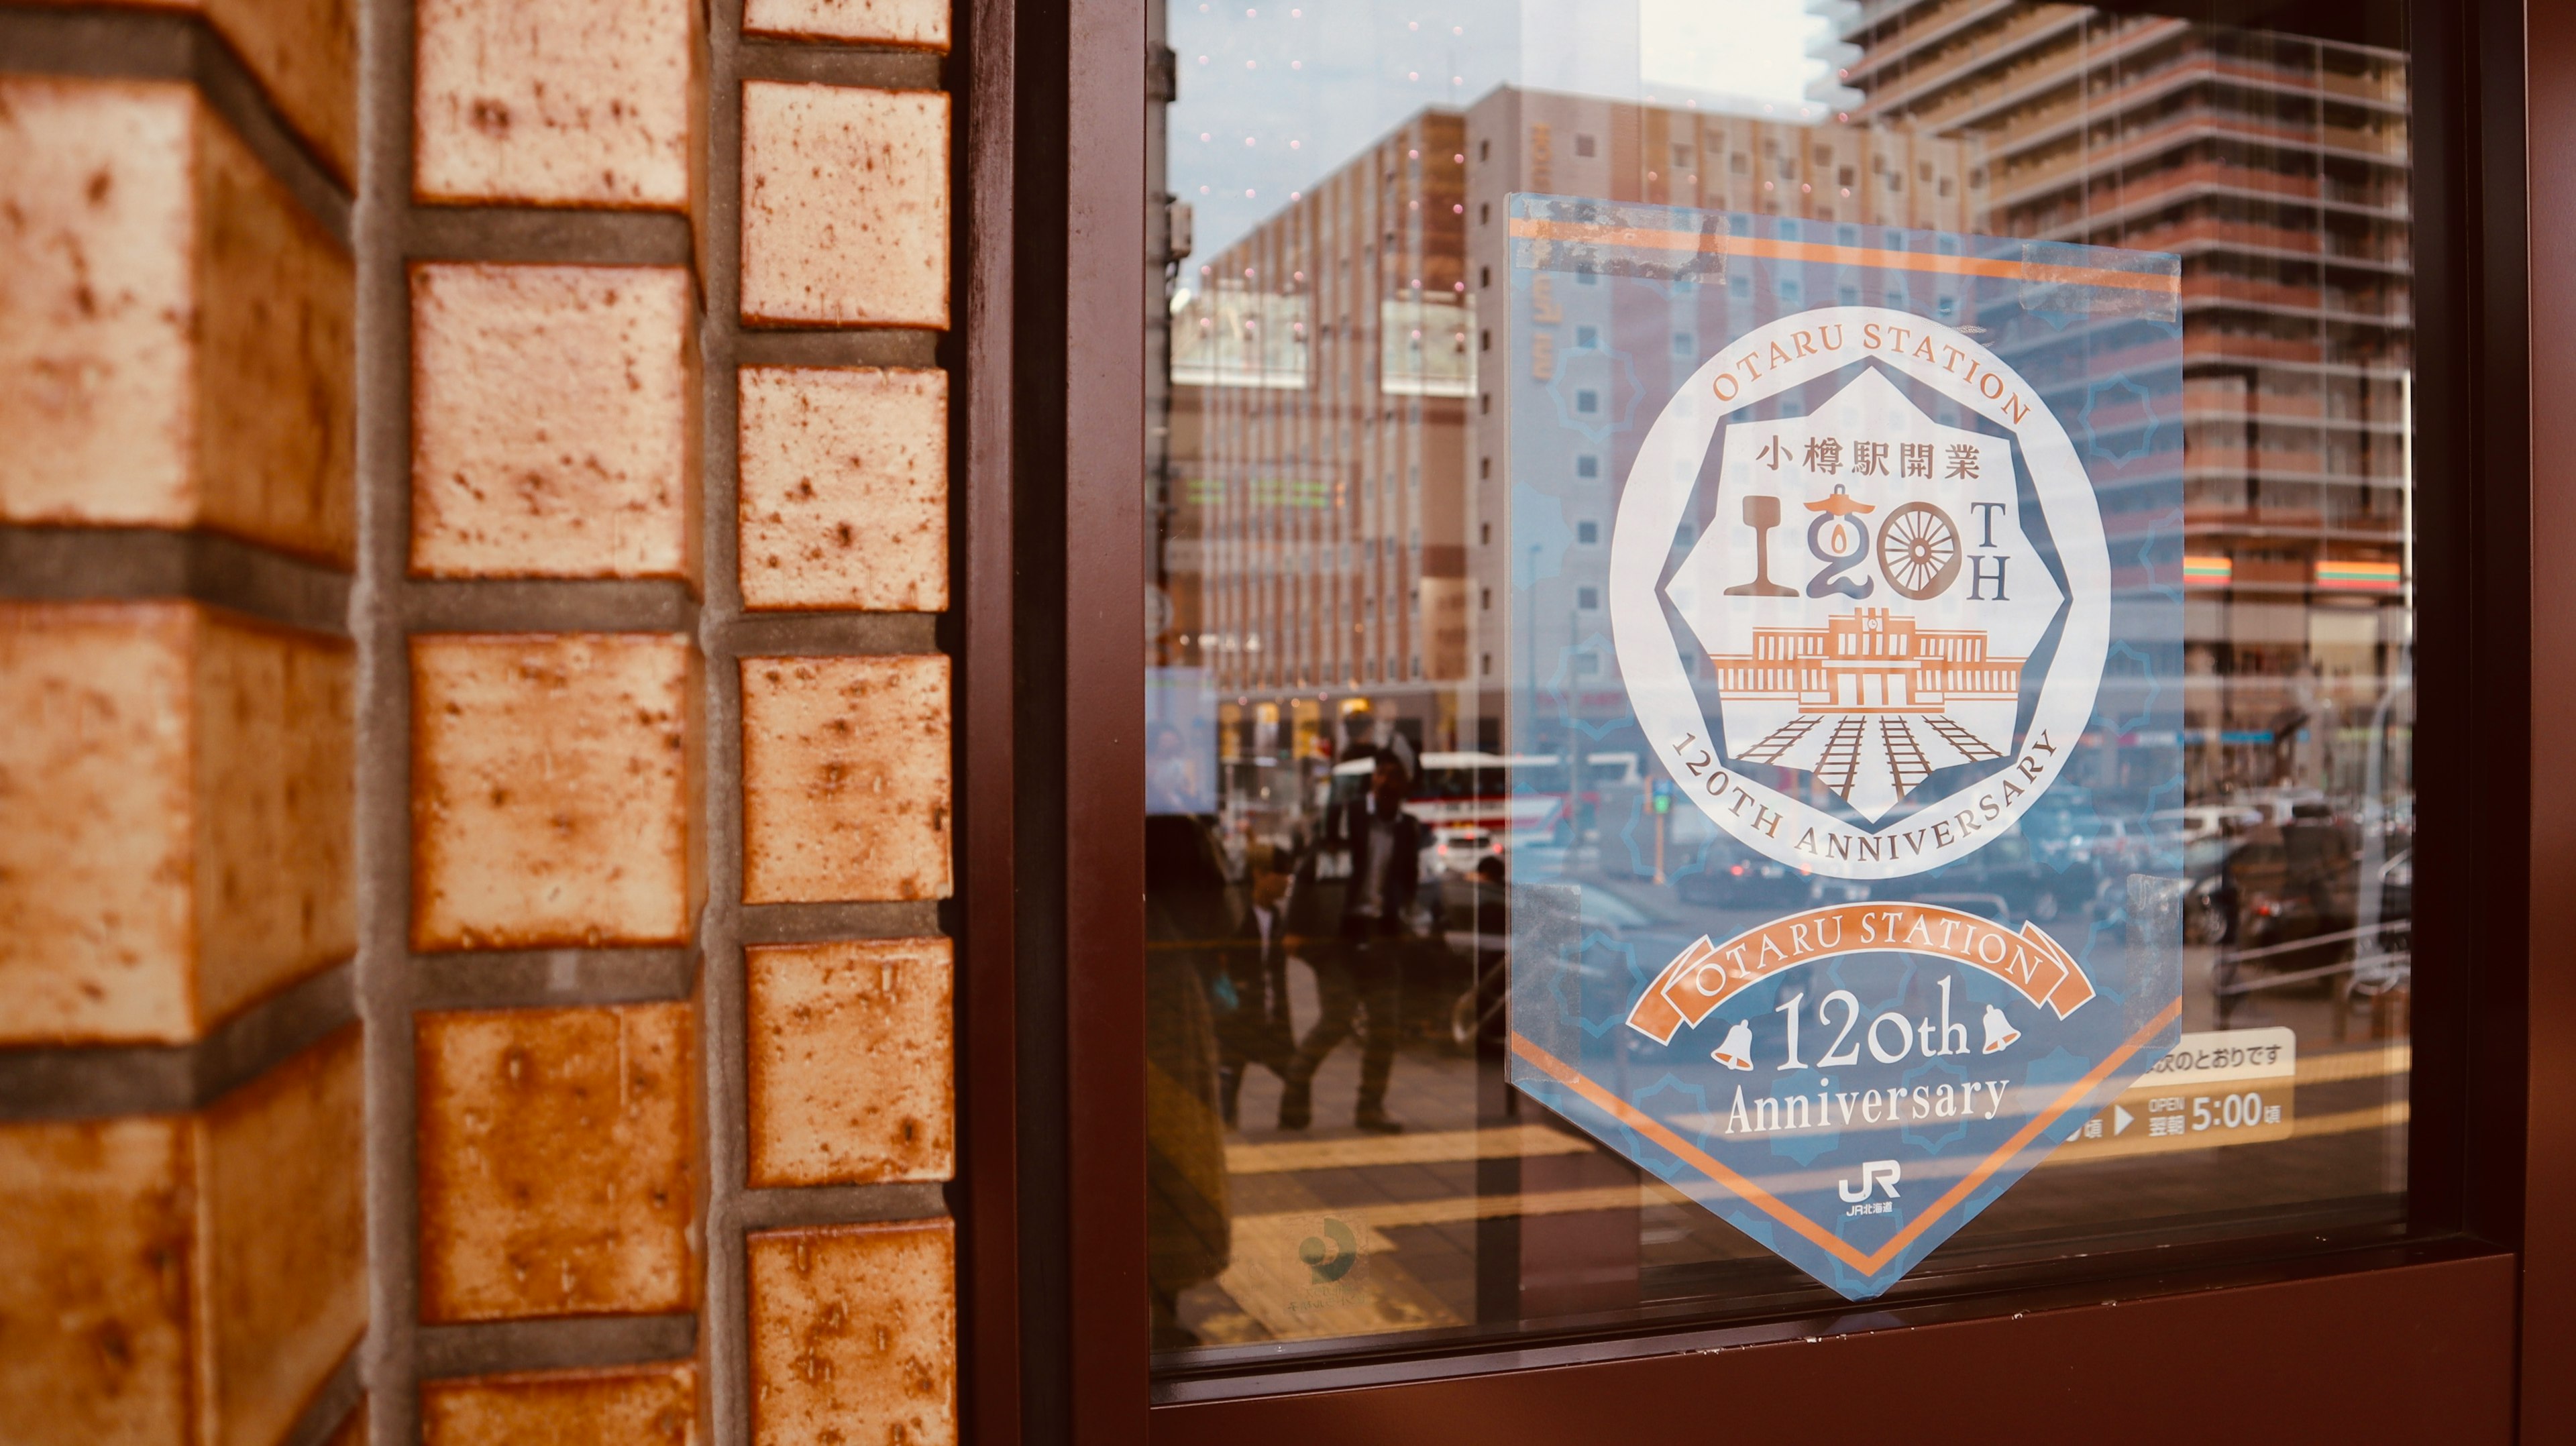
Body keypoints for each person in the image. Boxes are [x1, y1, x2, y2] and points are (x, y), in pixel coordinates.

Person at [1279, 746, 1421, 1134]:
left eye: (1393, 774)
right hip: (1339, 935)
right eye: (1379, 772)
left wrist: (1410, 926)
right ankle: (1295, 1089)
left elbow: (1409, 886)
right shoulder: (1347, 816)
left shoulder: (1408, 829)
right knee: (1337, 1020)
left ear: (1407, 784)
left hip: (1381, 938)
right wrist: (1295, 925)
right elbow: (1311, 868)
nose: (1383, 780)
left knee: (1385, 1027)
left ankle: (1370, 1108)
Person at [1208, 838, 1297, 1127]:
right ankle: (1226, 1132)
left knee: (1296, 1075)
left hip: (1269, 1015)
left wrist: (1282, 1014)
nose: (1287, 880)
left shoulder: (1277, 916)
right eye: (1280, 873)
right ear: (1258, 874)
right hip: (1237, 1015)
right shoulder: (1234, 911)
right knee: (1228, 1082)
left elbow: (1278, 974)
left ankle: (1292, 1127)